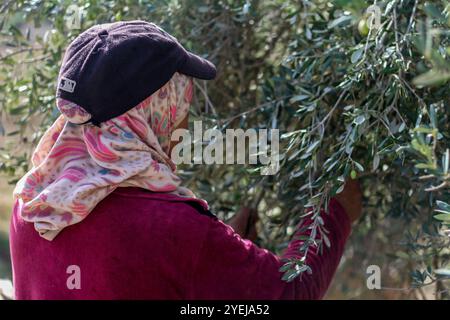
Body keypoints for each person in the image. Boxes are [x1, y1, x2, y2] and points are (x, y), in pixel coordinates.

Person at [9, 20, 362, 300]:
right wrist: (335, 212)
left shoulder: (32, 206)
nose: (185, 126)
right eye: (181, 110)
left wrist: (215, 261)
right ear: (152, 114)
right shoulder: (174, 229)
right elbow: (289, 293)